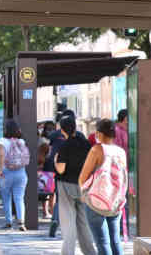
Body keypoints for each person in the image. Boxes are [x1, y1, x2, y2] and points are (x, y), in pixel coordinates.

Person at [79, 119, 127, 255]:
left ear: (99, 134)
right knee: (115, 241)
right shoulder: (120, 152)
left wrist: (83, 194)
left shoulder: (97, 149)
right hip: (115, 201)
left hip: (96, 201)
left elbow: (83, 176)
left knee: (102, 243)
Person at [54, 116, 96, 255]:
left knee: (68, 221)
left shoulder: (65, 146)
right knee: (83, 222)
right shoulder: (85, 144)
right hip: (84, 186)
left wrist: (55, 161)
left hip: (66, 185)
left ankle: (68, 252)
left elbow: (61, 169)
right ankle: (90, 251)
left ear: (63, 130)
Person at [0, 119, 29, 231]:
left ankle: (9, 222)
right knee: (19, 198)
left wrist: (0, 170)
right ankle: (21, 222)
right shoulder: (21, 141)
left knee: (6, 198)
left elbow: (1, 156)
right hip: (21, 172)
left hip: (6, 172)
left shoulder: (2, 141)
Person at [114, 109, 130, 240]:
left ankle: (123, 227)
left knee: (125, 199)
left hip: (127, 169)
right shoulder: (118, 131)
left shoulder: (126, 131)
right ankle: (121, 228)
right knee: (121, 199)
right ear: (125, 118)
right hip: (120, 170)